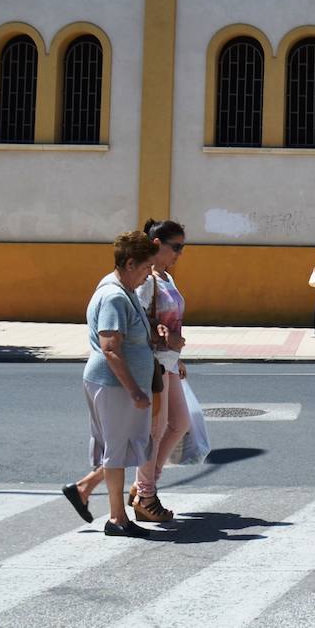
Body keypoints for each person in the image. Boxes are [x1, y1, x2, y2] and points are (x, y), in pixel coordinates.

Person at [61, 231, 160, 538]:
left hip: (116, 384)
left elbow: (127, 338)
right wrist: (134, 390)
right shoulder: (115, 296)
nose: (148, 277)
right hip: (114, 385)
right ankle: (117, 519)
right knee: (116, 452)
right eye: (145, 269)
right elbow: (110, 348)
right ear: (130, 264)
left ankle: (84, 490)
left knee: (123, 449)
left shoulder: (122, 289)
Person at [129, 219, 190, 523]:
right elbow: (136, 321)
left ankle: (145, 481)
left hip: (167, 362)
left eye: (182, 246)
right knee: (155, 430)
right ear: (156, 245)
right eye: (175, 247)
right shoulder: (147, 280)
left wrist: (176, 355)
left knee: (179, 422)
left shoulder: (166, 277)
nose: (180, 253)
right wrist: (162, 333)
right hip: (152, 364)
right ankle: (146, 494)